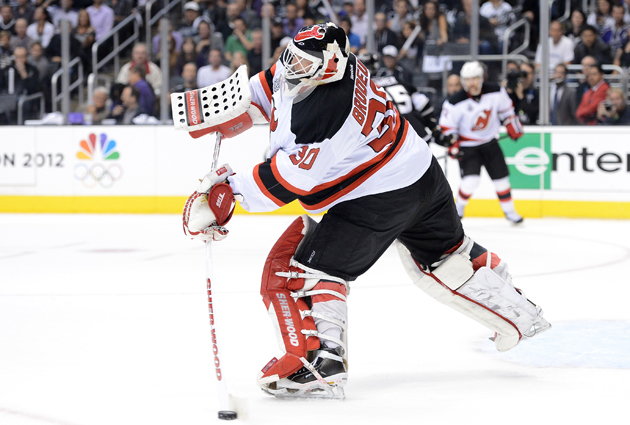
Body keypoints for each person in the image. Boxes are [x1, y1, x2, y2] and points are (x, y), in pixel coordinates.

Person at [181, 23, 550, 399]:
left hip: (377, 197)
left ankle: (321, 363)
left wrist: (228, 194)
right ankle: (520, 311)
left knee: (308, 269)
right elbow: (275, 83)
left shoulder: (329, 111)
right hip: (419, 169)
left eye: (302, 61)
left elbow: (293, 179)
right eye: (291, 55)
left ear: (329, 66)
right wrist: (232, 106)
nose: (292, 66)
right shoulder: (335, 63)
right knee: (446, 256)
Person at [438, 61, 525, 224]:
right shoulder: (455, 101)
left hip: (490, 144)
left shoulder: (496, 91)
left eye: (475, 78)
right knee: (471, 181)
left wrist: (512, 124)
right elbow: (448, 127)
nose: (472, 83)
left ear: (481, 78)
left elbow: (507, 111)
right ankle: (459, 209)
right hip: (468, 147)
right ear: (464, 81)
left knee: (502, 180)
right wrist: (452, 143)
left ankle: (510, 211)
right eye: (468, 79)